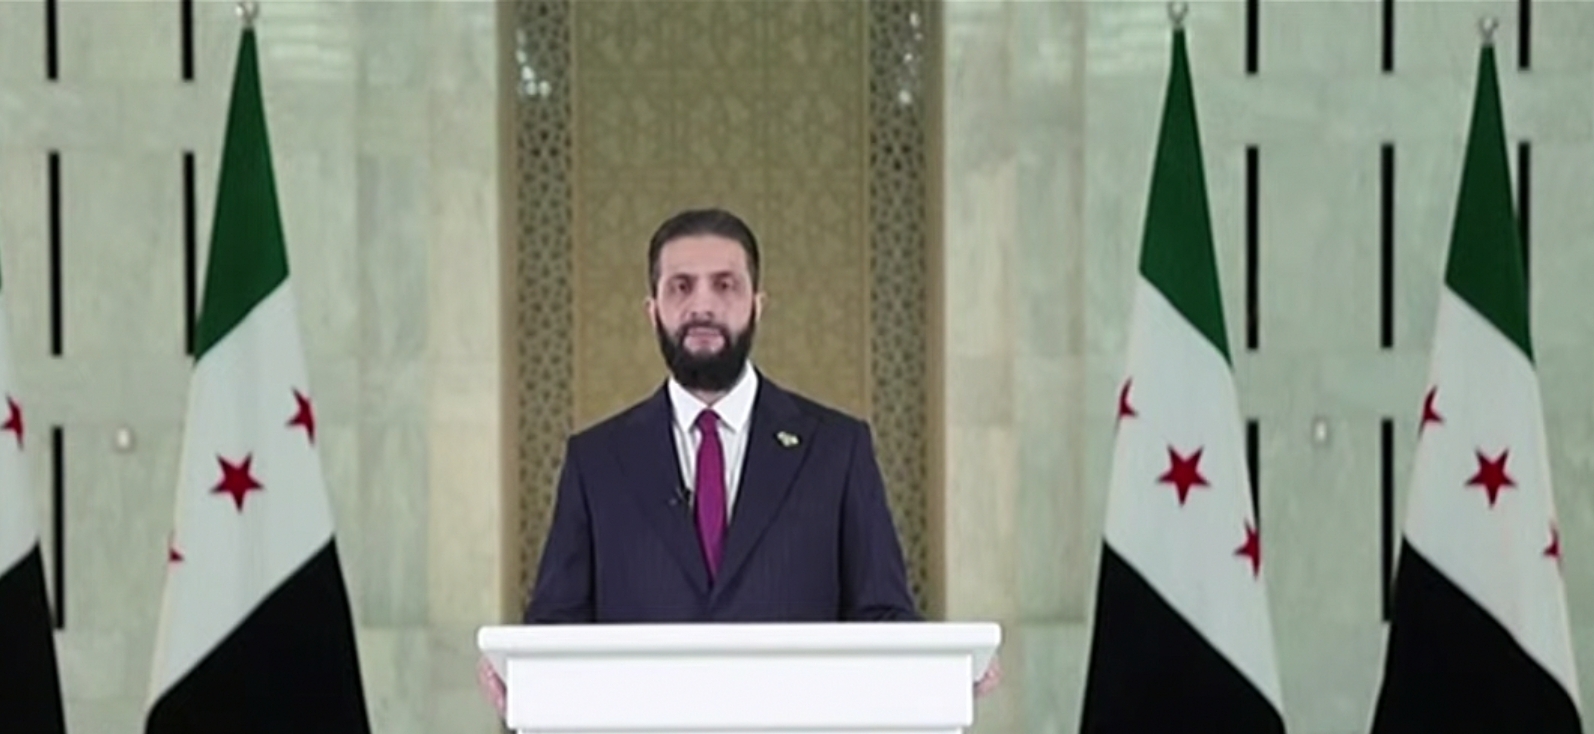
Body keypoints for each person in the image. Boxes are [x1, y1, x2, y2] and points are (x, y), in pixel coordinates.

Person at [479, 208, 999, 713]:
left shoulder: (838, 449)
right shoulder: (596, 461)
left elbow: (881, 614)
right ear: (652, 310)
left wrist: (944, 670)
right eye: (681, 286)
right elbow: (558, 624)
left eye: (725, 285)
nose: (702, 305)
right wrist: (519, 672)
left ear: (757, 305)